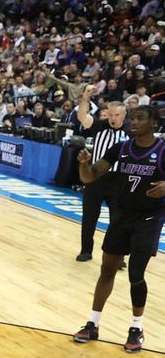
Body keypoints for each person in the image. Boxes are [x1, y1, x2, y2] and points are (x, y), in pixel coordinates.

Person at [73, 105, 165, 352]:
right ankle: (93, 323)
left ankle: (137, 327)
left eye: (140, 118)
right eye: (132, 118)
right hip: (123, 214)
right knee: (107, 268)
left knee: (136, 272)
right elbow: (90, 176)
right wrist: (83, 164)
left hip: (149, 217)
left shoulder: (162, 150)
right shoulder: (121, 148)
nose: (133, 122)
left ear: (153, 123)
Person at [75, 91, 129, 262]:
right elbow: (82, 115)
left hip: (119, 182)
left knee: (118, 221)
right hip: (96, 178)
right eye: (110, 114)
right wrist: (85, 97)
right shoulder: (99, 126)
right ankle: (86, 251)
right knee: (89, 218)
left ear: (124, 114)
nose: (113, 118)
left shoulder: (131, 131)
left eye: (117, 115)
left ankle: (117, 256)